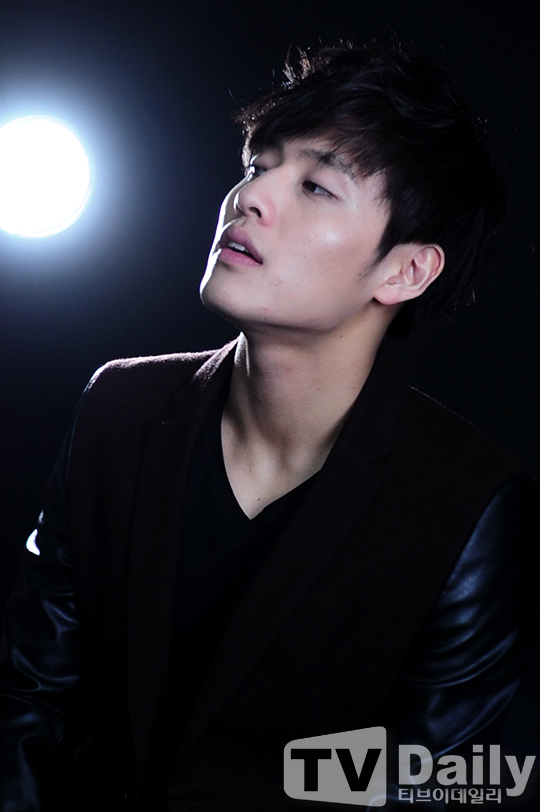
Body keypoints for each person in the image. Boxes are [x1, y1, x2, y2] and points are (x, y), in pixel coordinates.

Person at [0, 41, 538, 811]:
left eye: (316, 185)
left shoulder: (470, 506)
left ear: (406, 270)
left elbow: (423, 783)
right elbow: (28, 696)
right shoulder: (119, 408)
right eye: (258, 165)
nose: (250, 197)